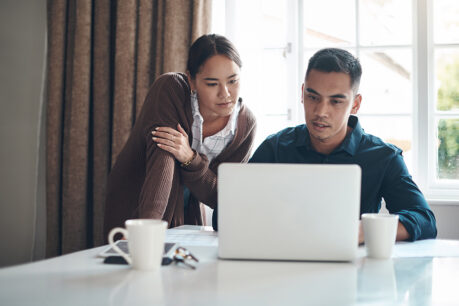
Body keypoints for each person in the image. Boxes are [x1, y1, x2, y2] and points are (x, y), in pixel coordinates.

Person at [213, 48, 436, 243]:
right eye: (313, 97)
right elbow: (222, 216)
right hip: (282, 267)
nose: (321, 111)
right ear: (302, 94)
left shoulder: (383, 156)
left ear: (355, 104)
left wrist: (363, 231)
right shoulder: (276, 147)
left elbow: (425, 220)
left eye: (336, 101)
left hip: (354, 273)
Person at [104, 34, 256, 239]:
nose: (225, 94)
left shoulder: (245, 125)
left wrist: (190, 159)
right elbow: (162, 159)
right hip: (138, 204)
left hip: (186, 213)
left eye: (233, 81)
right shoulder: (171, 90)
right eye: (212, 84)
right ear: (191, 80)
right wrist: (146, 227)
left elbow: (222, 197)